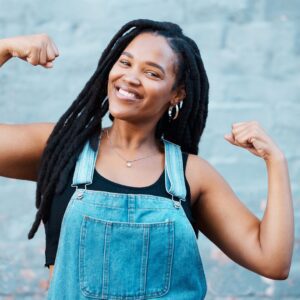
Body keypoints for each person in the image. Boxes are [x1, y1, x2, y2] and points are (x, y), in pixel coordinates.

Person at [0, 19, 294, 299]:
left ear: (176, 94)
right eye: (125, 63)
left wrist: (276, 161)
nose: (130, 77)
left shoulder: (192, 175)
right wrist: (4, 49)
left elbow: (272, 262)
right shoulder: (62, 148)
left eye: (152, 73)